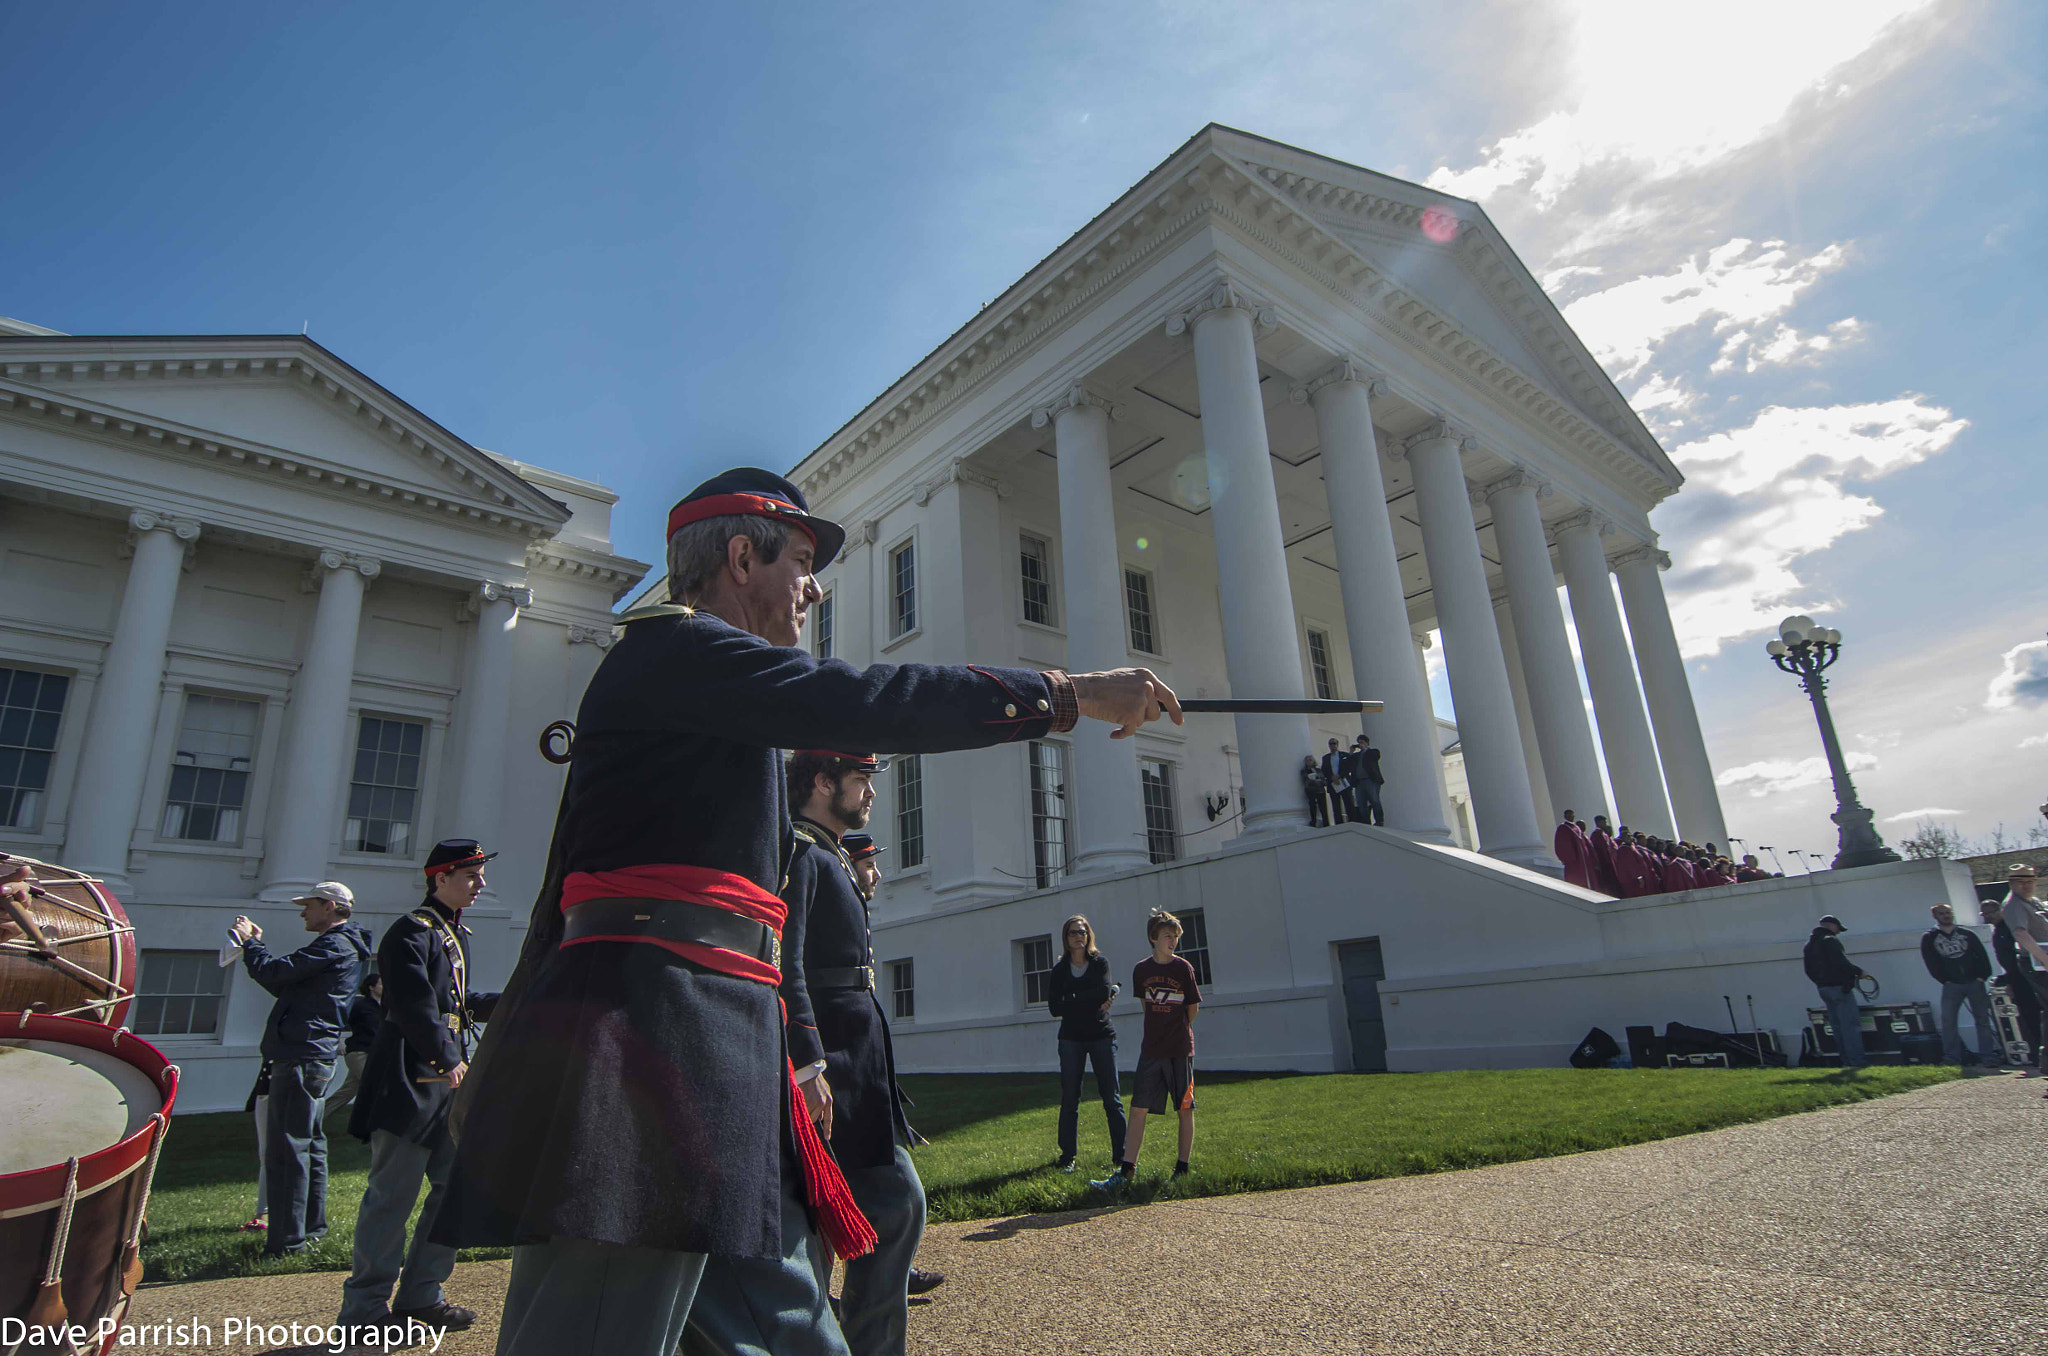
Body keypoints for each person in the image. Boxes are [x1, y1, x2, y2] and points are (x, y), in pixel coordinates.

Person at [429, 468, 1180, 1356]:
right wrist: (1069, 693)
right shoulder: (678, 651)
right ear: (739, 558)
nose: (814, 584)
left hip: (709, 1044)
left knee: (791, 1332)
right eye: (799, 559)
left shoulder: (707, 682)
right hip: (648, 1045)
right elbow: (863, 698)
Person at [694, 749, 926, 1356]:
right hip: (829, 1071)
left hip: (856, 1066)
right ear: (823, 783)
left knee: (888, 1209)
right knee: (884, 1206)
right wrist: (808, 1062)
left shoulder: (828, 852)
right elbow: (783, 962)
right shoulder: (802, 851)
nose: (871, 792)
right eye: (860, 780)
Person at [339, 841, 501, 1334]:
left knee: (453, 1190)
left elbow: (456, 1003)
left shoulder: (451, 931)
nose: (481, 884)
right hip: (411, 1080)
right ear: (440, 878)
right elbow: (413, 1005)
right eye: (471, 875)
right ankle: (364, 1309)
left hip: (443, 1084)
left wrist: (518, 999)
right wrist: (447, 1058)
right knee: (392, 1197)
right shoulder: (410, 931)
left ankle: (421, 1295)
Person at [230, 882, 372, 1258]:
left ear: (330, 907)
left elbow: (277, 974)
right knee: (310, 1144)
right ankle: (311, 1229)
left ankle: (287, 1243)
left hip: (301, 1055)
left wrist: (249, 943)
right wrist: (256, 952)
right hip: (314, 1054)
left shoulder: (332, 945)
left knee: (287, 1149)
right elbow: (291, 985)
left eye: (308, 905)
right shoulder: (344, 947)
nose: (303, 912)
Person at [1093, 909, 1201, 1191]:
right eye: (1168, 936)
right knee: (1138, 1107)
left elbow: (1192, 1009)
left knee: (1185, 1108)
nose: (1173, 941)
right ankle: (1127, 1169)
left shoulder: (1183, 969)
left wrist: (1176, 1032)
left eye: (1175, 937)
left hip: (1180, 1050)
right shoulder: (1142, 970)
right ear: (1154, 938)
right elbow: (1146, 1007)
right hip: (1151, 1050)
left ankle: (1182, 1167)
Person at [1047, 913, 1125, 1174]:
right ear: (1066, 939)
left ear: (1088, 935)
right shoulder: (1059, 970)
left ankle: (1122, 1156)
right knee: (1070, 1099)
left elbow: (1103, 993)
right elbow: (1053, 1007)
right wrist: (1086, 999)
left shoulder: (1099, 963)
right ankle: (1067, 1156)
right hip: (1071, 1039)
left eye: (1082, 931)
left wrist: (1072, 998)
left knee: (1111, 1098)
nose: (1078, 936)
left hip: (1102, 1036)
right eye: (1073, 933)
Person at [1921, 902, 1997, 1066]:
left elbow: (1982, 956)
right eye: (1942, 913)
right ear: (1935, 916)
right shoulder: (1929, 937)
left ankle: (1988, 1057)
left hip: (1975, 983)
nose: (1946, 916)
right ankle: (1952, 1058)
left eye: (1948, 912)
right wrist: (1944, 980)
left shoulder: (1967, 934)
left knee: (1982, 1020)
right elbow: (1930, 962)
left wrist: (1982, 977)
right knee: (1949, 1021)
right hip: (1951, 985)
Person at [1996, 865, 2048, 1087]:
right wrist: (2045, 959)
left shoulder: (2031, 902)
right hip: (2035, 962)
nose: (2026, 885)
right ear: (2012, 884)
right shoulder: (2014, 905)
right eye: (2021, 882)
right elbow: (2020, 933)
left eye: (2030, 881)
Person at [1803, 914, 1867, 1068]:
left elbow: (1808, 970)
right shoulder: (1830, 941)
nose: (1838, 932)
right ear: (1831, 925)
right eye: (1838, 928)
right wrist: (1859, 972)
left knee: (1837, 1027)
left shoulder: (1809, 945)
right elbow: (1841, 963)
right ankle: (1857, 1062)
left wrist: (1820, 982)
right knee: (1850, 1026)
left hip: (1823, 989)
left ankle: (1846, 1061)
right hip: (1839, 988)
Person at [1985, 896, 2041, 1067]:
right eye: (1985, 914)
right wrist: (2008, 979)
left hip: (2029, 975)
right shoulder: (1997, 931)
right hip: (2016, 978)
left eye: (1992, 912)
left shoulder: (2012, 927)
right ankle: (2038, 1054)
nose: (1988, 916)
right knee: (2028, 1016)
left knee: (2038, 1014)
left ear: (2000, 910)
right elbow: (2006, 960)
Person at [324, 972, 383, 1125]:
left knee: (347, 1092)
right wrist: (336, 1042)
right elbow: (337, 1020)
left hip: (372, 1054)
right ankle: (373, 1128)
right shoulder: (360, 1006)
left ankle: (311, 1121)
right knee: (375, 1088)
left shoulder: (384, 1007)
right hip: (359, 1053)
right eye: (381, 983)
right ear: (371, 987)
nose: (385, 986)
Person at [1552, 810, 1591, 890]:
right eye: (1569, 815)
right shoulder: (1563, 828)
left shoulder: (1577, 828)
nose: (1571, 817)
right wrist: (1568, 858)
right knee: (1576, 881)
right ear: (1565, 816)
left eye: (1572, 815)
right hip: (1573, 861)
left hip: (1582, 860)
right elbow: (1562, 844)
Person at [1351, 736, 1385, 827]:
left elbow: (1375, 757)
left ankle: (1379, 821)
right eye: (1359, 742)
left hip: (1370, 781)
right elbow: (1348, 763)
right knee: (1361, 803)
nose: (1360, 744)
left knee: (1374, 801)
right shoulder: (1356, 756)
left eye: (1362, 742)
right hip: (1359, 782)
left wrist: (1365, 749)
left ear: (1367, 743)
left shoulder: (1373, 752)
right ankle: (1366, 822)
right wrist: (1351, 751)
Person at [1586, 815, 1622, 896]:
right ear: (1598, 823)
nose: (1605, 824)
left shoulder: (1603, 834)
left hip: (1610, 862)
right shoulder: (1596, 834)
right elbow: (1600, 849)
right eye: (1604, 822)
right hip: (1604, 863)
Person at [1320, 738, 1353, 824]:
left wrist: (1339, 776)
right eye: (1330, 744)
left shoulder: (1344, 755)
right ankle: (1339, 823)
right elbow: (1324, 770)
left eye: (1334, 743)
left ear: (1337, 744)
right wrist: (1332, 777)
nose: (1332, 745)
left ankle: (1352, 821)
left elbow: (1348, 767)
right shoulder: (1326, 758)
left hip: (1343, 782)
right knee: (1335, 805)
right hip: (1332, 784)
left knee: (1348, 803)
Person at [1300, 755, 1329, 828]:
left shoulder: (1318, 770)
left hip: (1320, 791)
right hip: (1311, 791)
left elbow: (1323, 780)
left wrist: (1317, 781)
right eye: (1307, 760)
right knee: (1312, 807)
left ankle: (1326, 822)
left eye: (1310, 760)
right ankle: (1313, 821)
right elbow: (1306, 780)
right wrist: (1316, 781)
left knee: (1323, 807)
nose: (1309, 762)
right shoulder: (1304, 771)